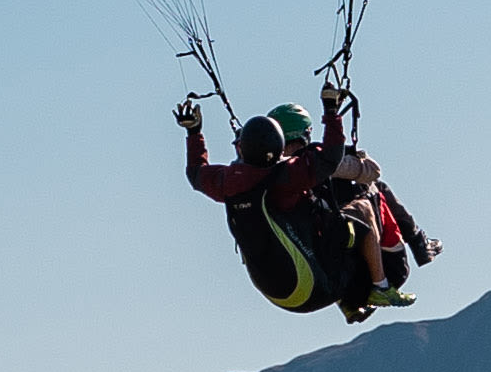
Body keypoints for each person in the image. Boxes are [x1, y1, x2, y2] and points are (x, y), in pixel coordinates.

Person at [178, 86, 440, 314]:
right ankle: (380, 286)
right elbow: (332, 157)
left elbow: (195, 174)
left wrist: (194, 133)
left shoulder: (227, 181)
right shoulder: (288, 174)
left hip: (278, 291)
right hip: (316, 283)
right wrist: (331, 112)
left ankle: (354, 300)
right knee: (365, 200)